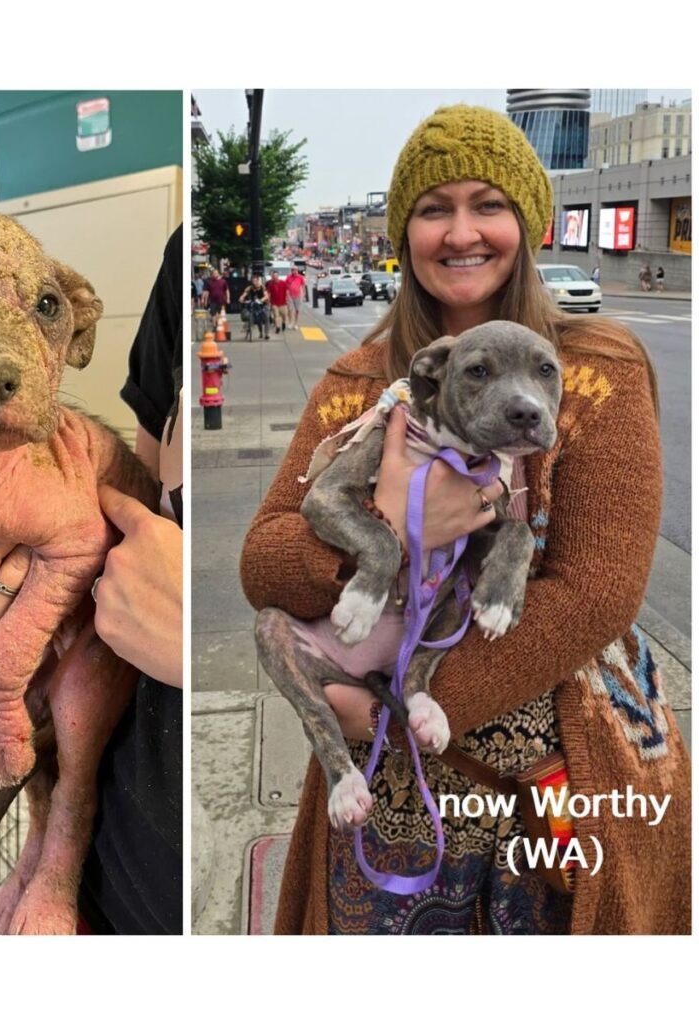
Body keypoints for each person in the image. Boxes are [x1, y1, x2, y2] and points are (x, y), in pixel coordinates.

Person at [240, 105, 690, 935]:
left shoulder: (598, 368)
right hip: (385, 789)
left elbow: (596, 594)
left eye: (488, 205)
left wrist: (393, 716)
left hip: (545, 767)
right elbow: (263, 565)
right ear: (404, 231)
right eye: (433, 209)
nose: (461, 233)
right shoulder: (360, 379)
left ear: (528, 221)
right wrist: (392, 525)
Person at [0, 227, 184, 935]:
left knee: (58, 719)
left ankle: (51, 863)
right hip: (121, 853)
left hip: (165, 875)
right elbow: (152, 494)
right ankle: (38, 857)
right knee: (40, 723)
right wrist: (18, 599)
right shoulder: (180, 264)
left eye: (39, 306)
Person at [238, 271, 270, 339]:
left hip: (262, 305)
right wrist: (241, 298)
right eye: (253, 281)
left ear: (258, 280)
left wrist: (261, 300)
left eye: (256, 280)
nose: (254, 282)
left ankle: (266, 333)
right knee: (251, 315)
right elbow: (244, 294)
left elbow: (266, 296)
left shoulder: (262, 287)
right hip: (253, 304)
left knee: (266, 316)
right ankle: (249, 328)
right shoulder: (249, 288)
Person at [266, 269, 289, 334]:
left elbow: (287, 291)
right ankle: (277, 327)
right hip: (274, 303)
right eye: (273, 276)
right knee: (276, 316)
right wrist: (268, 300)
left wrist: (287, 299)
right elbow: (269, 293)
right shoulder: (270, 284)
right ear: (272, 277)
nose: (275, 277)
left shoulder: (283, 283)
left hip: (283, 303)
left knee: (284, 315)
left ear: (278, 276)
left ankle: (283, 323)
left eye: (276, 276)